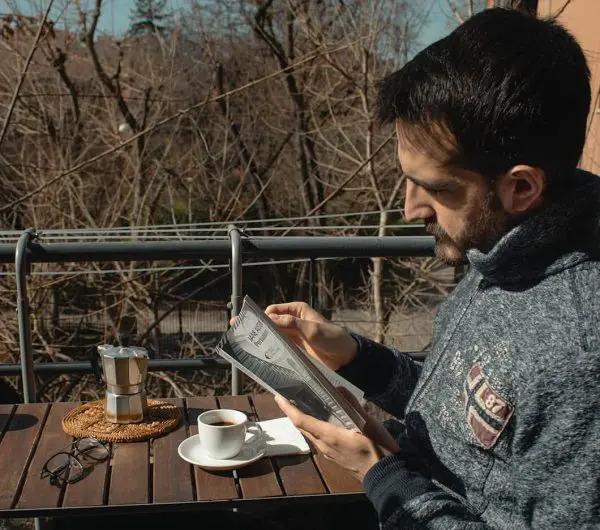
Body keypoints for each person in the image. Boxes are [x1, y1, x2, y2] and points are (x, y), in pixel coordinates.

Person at [266, 8, 600, 529]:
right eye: (408, 179)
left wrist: (380, 473)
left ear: (521, 188)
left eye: (439, 189)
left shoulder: (581, 353)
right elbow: (471, 414)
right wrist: (358, 358)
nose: (411, 209)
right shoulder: (504, 251)